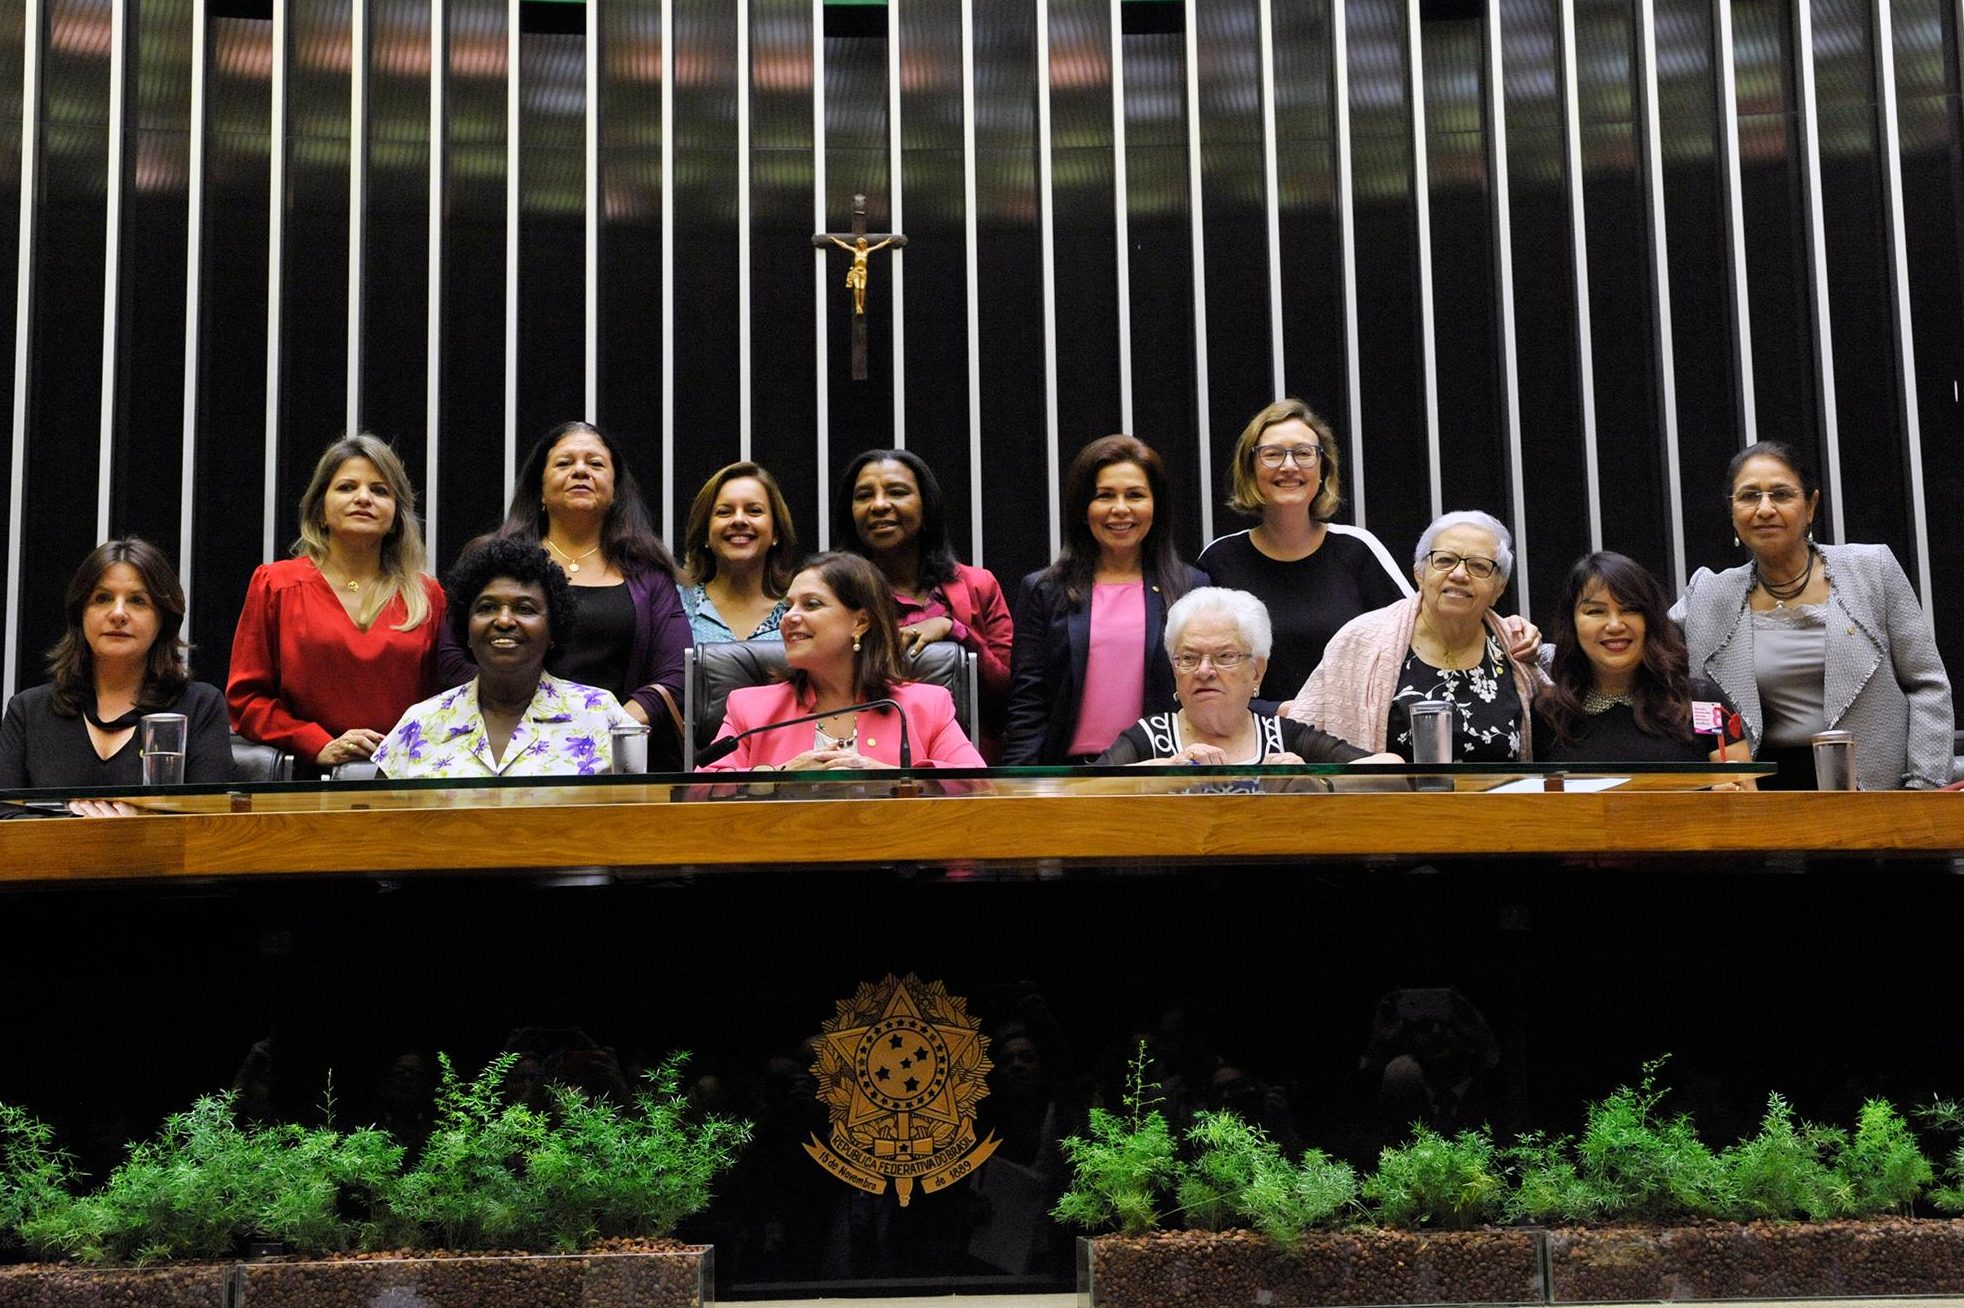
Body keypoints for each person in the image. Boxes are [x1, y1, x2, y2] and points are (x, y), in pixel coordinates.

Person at [1672, 440, 1951, 790]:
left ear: (1811, 505)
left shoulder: (1872, 570)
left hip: (1878, 796)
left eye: (1781, 494)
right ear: (1732, 512)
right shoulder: (1708, 593)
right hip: (1756, 802)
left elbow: (1928, 685)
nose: (1764, 509)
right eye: (1748, 496)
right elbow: (1642, 648)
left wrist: (1923, 787)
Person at [438, 421, 692, 755]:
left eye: (595, 464)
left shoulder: (648, 572)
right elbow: (451, 657)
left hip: (616, 750)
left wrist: (613, 727)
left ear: (615, 490)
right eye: (564, 463)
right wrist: (519, 717)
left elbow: (676, 672)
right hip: (506, 743)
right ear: (540, 489)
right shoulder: (493, 559)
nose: (581, 471)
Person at [228, 434, 445, 772]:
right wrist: (317, 743)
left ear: (396, 515)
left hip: (406, 779)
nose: (363, 498)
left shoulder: (428, 596)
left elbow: (447, 702)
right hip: (304, 777)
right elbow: (247, 702)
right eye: (346, 487)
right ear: (320, 510)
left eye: (380, 490)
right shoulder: (276, 585)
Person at [1004, 435, 1207, 764]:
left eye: (1135, 495)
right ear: (1083, 509)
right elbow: (1028, 704)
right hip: (1069, 780)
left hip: (1165, 773)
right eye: (1104, 496)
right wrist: (1018, 788)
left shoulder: (1192, 587)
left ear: (1156, 506)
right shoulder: (1044, 589)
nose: (1120, 508)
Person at [1195, 400, 1410, 709]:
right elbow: (1197, 670)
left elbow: (1422, 632)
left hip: (1348, 742)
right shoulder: (1220, 559)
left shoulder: (1358, 549)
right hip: (1254, 742)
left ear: (1323, 469)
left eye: (1303, 453)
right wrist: (1277, 712)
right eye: (1272, 454)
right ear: (1250, 470)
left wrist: (1505, 627)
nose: (1289, 466)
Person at [1289, 510, 1546, 759]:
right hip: (1386, 802)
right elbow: (1297, 736)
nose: (1458, 575)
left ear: (1498, 588)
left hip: (1500, 803)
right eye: (1444, 560)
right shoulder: (1359, 640)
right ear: (1419, 574)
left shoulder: (1516, 649)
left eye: (1478, 566)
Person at [697, 551, 986, 771]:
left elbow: (977, 787)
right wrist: (780, 777)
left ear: (861, 622)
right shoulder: (750, 709)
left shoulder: (928, 706)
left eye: (811, 604)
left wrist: (890, 779)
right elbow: (700, 793)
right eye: (788, 606)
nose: (789, 618)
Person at [373, 535, 635, 778]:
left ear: (553, 629)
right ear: (466, 628)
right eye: (487, 608)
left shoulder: (600, 714)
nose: (505, 620)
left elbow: (639, 819)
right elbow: (374, 823)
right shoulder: (420, 723)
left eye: (524, 608)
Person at [1, 539, 231, 812]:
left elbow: (208, 826)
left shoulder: (200, 706)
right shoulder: (28, 711)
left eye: (137, 600)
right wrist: (92, 832)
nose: (118, 613)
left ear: (163, 619)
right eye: (103, 598)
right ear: (80, 614)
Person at [835, 448, 1013, 758]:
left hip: (968, 766)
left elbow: (1010, 693)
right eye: (864, 495)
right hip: (866, 764)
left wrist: (955, 630)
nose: (878, 505)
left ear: (926, 506)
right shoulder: (837, 595)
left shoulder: (978, 585)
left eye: (897, 492)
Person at [1095, 588, 1390, 766]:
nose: (1204, 671)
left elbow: (1390, 768)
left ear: (1257, 672)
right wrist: (1158, 773)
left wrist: (1314, 780)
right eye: (1188, 658)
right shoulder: (1148, 737)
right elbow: (1077, 790)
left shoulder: (1284, 737)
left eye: (1225, 657)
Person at [1534, 552, 1752, 771]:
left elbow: (1745, 798)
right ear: (1571, 623)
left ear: (1650, 619)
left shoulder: (1703, 702)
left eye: (1629, 609)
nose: (1615, 625)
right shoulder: (1549, 714)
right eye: (1595, 611)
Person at [679, 461, 794, 644]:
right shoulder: (676, 605)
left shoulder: (798, 609)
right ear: (705, 535)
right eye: (724, 512)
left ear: (776, 532)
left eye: (754, 511)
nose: (739, 520)